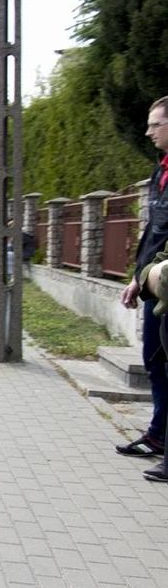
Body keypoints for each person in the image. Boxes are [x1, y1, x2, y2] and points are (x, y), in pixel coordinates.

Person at [123, 95, 168, 477]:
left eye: (156, 124)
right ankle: (158, 436)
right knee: (155, 361)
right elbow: (153, 232)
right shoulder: (161, 172)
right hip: (155, 284)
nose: (148, 131)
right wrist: (137, 278)